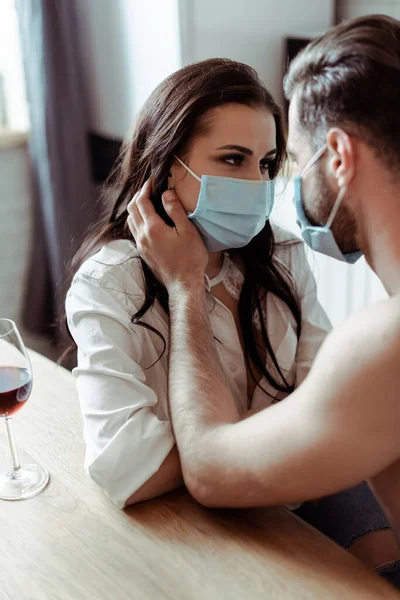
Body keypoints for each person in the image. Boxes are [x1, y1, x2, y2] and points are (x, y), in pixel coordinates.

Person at [126, 15, 400, 585]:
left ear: (340, 156)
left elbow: (207, 467)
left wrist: (184, 287)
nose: (274, 187)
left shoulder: (382, 346)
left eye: (287, 161)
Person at [65, 58, 330, 510]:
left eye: (267, 163)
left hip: (304, 496)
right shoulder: (108, 284)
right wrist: (185, 284)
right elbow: (128, 468)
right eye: (232, 159)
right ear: (167, 167)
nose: (257, 183)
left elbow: (327, 404)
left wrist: (216, 449)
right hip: (199, 522)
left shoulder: (283, 253)